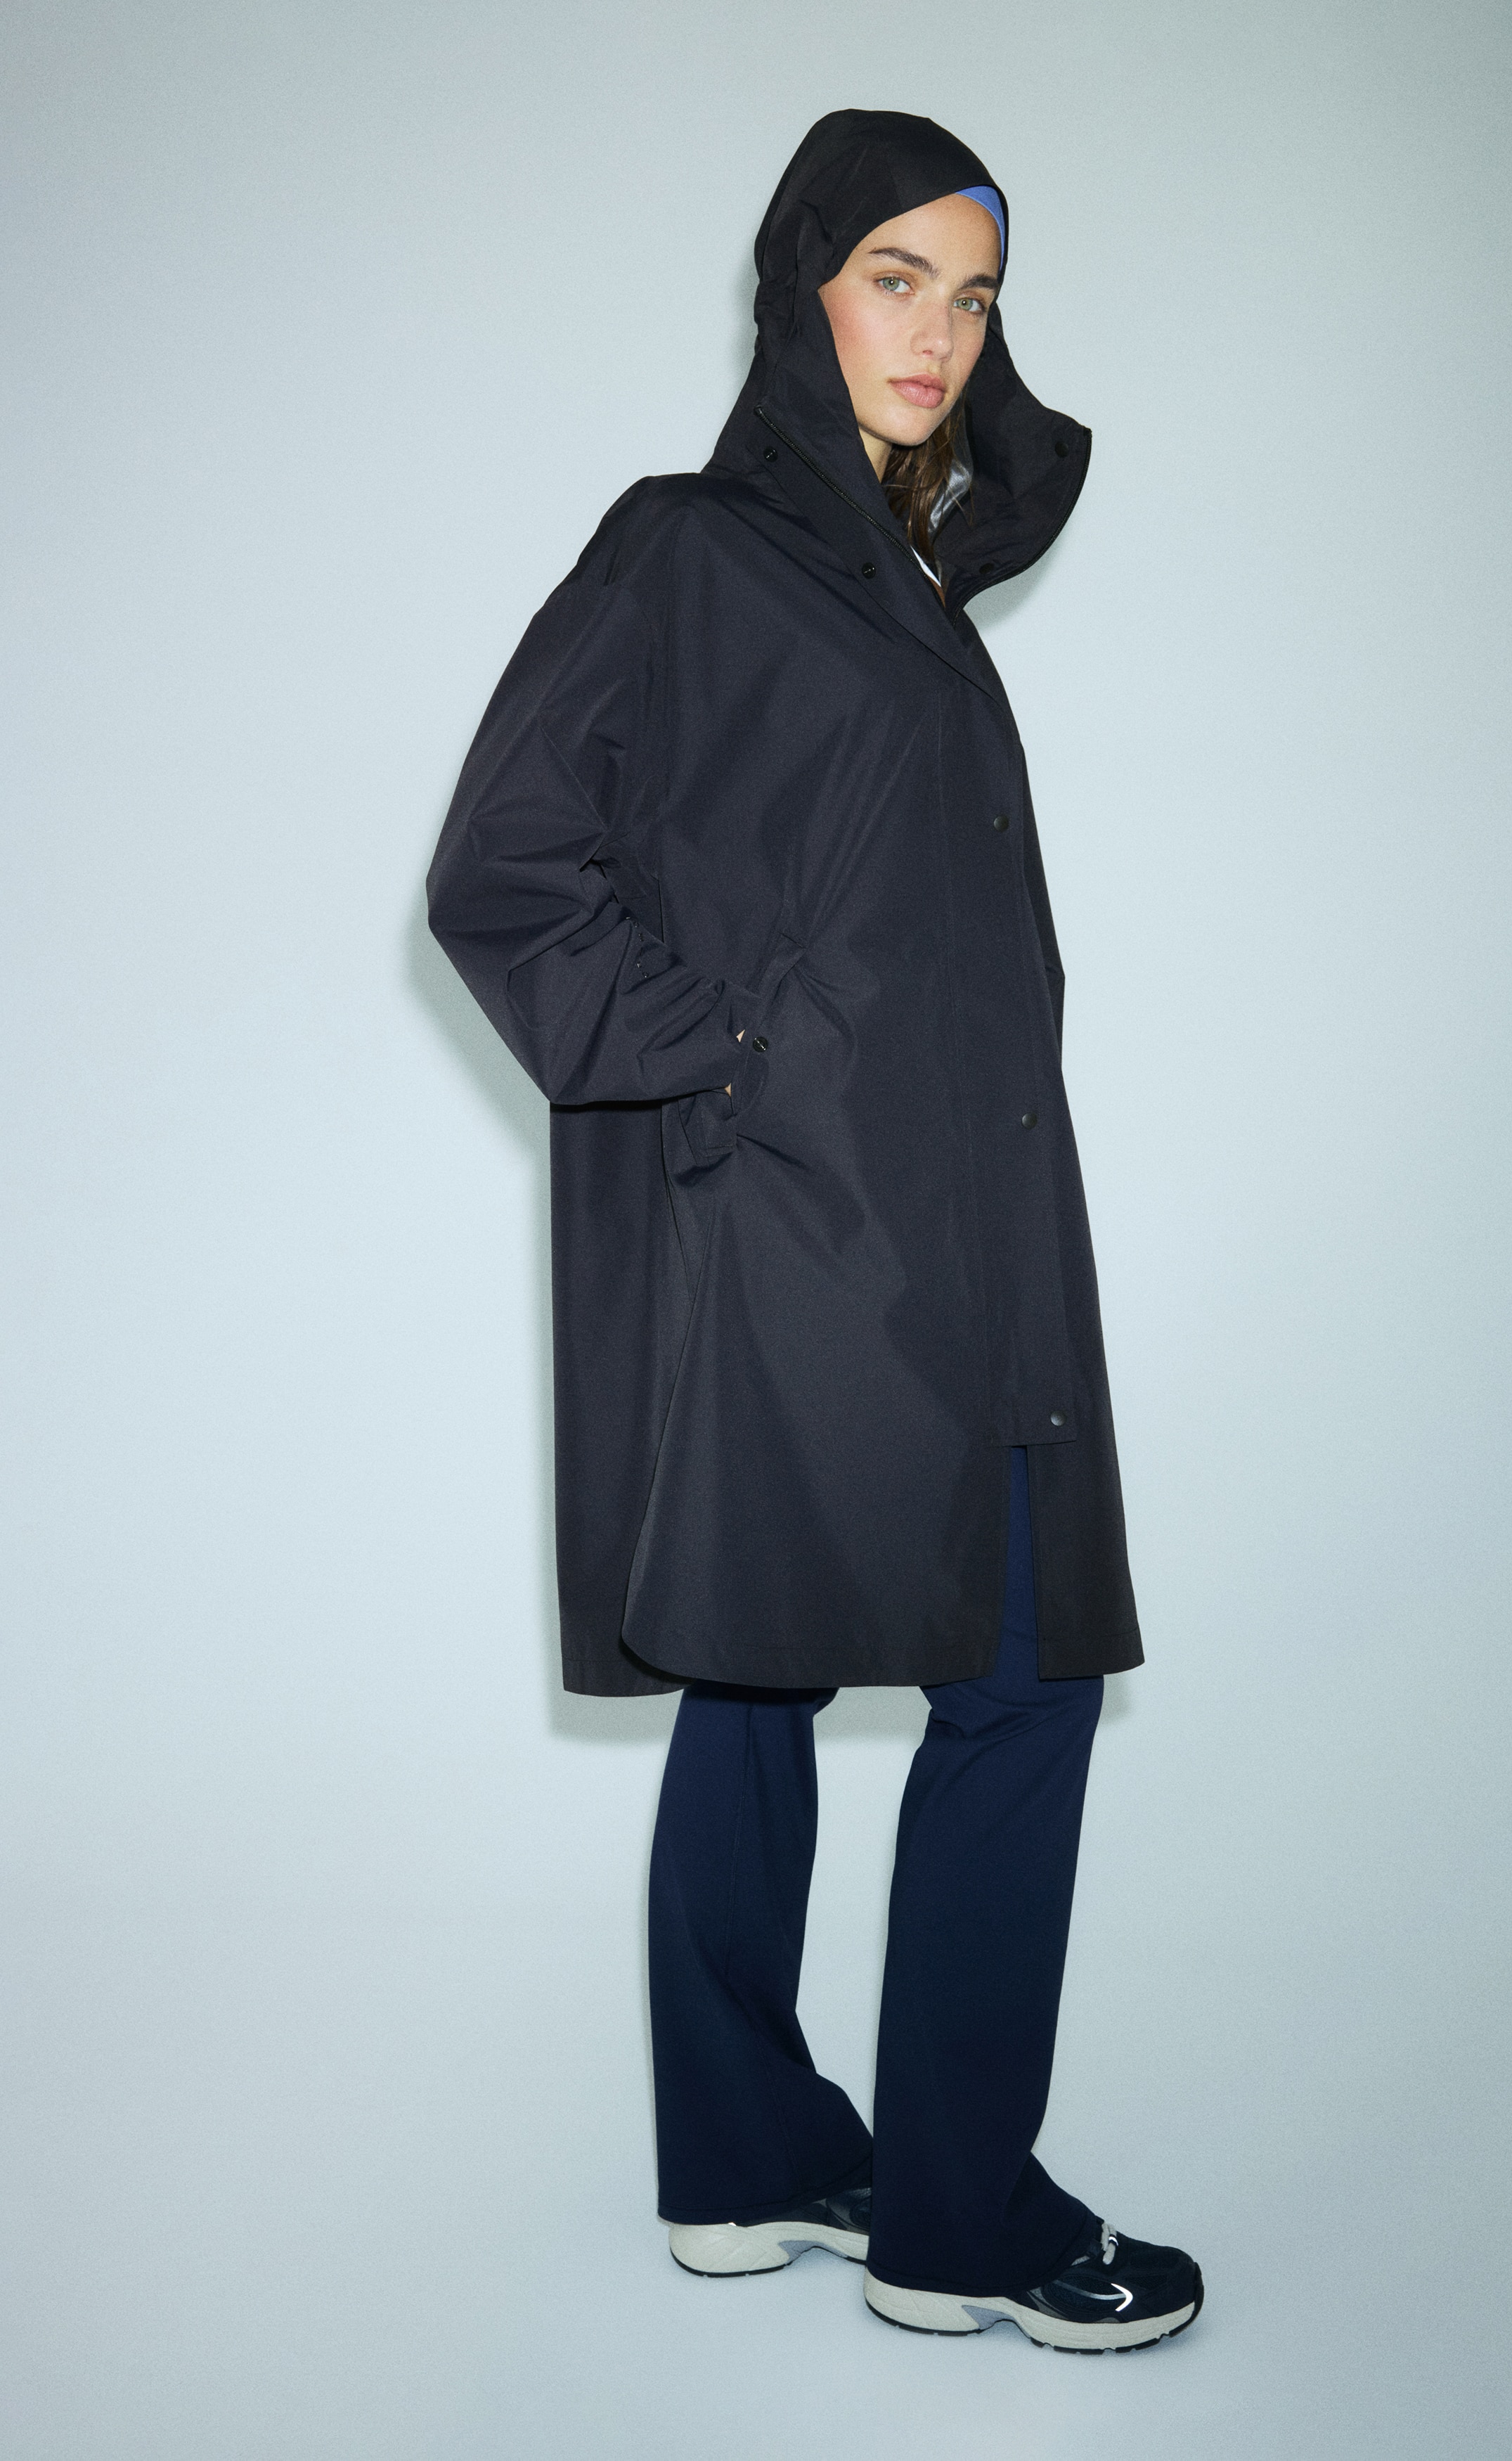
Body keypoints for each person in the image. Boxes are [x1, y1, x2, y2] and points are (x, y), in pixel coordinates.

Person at [427, 108, 1202, 2354]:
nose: (939, 334)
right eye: (894, 278)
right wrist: (734, 1066)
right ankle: (956, 2213)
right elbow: (501, 871)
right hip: (813, 1229)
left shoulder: (912, 591)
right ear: (804, 290)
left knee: (765, 1669)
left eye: (975, 295)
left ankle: (753, 2156)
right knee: (1015, 1679)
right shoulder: (686, 551)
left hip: (950, 1221)